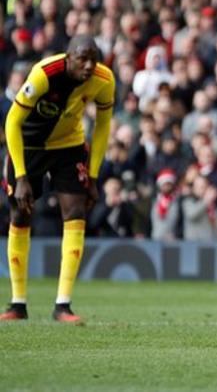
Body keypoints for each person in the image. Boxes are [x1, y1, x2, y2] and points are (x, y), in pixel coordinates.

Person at [1, 35, 114, 322]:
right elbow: (12, 122)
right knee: (20, 214)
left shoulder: (104, 79)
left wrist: (94, 175)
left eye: (94, 59)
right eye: (82, 59)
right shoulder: (44, 74)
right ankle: (18, 304)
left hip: (68, 146)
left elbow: (102, 128)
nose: (89, 66)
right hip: (28, 146)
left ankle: (63, 305)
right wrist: (22, 175)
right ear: (68, 57)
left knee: (76, 213)